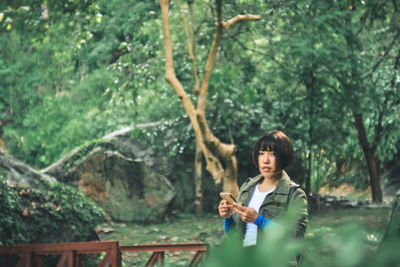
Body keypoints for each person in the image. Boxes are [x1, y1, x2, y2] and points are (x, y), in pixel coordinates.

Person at [218, 130, 308, 252]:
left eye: (272, 154)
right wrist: (228, 217)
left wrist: (258, 220)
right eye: (261, 153)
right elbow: (235, 235)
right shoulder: (248, 188)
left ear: (283, 156)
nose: (265, 160)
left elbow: (295, 237)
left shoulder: (295, 194)